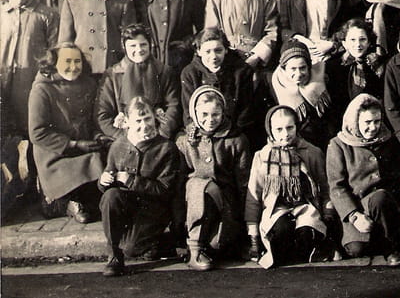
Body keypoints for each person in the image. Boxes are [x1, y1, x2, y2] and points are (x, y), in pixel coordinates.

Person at [98, 96, 181, 276]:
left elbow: (165, 190)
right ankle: (113, 255)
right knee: (110, 196)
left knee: (130, 249)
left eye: (147, 119)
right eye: (138, 121)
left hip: (152, 210)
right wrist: (103, 181)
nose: (144, 125)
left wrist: (131, 181)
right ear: (127, 122)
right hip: (126, 207)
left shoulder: (166, 148)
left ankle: (158, 242)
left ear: (155, 117)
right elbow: (109, 179)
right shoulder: (118, 146)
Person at [245, 105, 334, 268]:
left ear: (296, 127)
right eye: (279, 129)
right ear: (270, 130)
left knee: (307, 233)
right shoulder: (262, 156)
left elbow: (325, 186)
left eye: (289, 128)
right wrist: (254, 237)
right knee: (281, 232)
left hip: (304, 206)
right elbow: (254, 196)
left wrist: (328, 215)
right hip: (276, 209)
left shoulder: (311, 152)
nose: (285, 134)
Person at [29, 43, 105, 222]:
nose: (73, 67)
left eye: (77, 61)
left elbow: (93, 119)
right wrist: (73, 144)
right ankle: (64, 203)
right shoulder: (42, 89)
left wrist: (98, 136)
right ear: (54, 63)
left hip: (85, 147)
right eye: (67, 61)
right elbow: (37, 132)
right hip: (55, 153)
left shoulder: (88, 84)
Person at [177, 86, 251, 271]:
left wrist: (246, 223)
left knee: (217, 245)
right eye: (204, 114)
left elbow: (243, 182)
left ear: (223, 113)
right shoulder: (185, 140)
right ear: (194, 113)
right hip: (194, 202)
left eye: (215, 114)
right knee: (199, 185)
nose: (210, 120)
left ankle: (215, 243)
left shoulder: (236, 139)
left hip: (224, 202)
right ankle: (195, 249)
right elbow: (179, 181)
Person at [326, 94, 400, 266]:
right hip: (358, 206)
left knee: (380, 197)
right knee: (356, 250)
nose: (373, 127)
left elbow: (398, 177)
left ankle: (391, 248)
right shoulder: (338, 145)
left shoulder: (389, 140)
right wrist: (354, 216)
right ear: (355, 121)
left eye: (377, 121)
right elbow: (337, 187)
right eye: (367, 122)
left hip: (384, 206)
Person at [1, 0, 59, 138]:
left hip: (31, 85)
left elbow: (55, 51)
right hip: (2, 85)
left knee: (30, 131)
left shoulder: (47, 15)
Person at [96, 23, 181, 141]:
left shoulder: (164, 71)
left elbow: (173, 107)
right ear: (124, 47)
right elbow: (103, 115)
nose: (139, 50)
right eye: (132, 46)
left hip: (158, 137)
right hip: (125, 138)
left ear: (150, 45)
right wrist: (125, 138)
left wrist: (161, 134)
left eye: (143, 44)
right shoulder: (112, 75)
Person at [58, 0, 135, 76]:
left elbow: (130, 40)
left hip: (113, 69)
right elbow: (65, 43)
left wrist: (123, 66)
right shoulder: (71, 3)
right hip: (83, 69)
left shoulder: (122, 3)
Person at [180, 27, 255, 138]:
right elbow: (188, 112)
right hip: (202, 133)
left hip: (233, 133)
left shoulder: (242, 71)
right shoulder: (190, 73)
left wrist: (230, 134)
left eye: (218, 50)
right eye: (207, 52)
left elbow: (245, 112)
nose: (213, 56)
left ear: (226, 50)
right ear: (199, 51)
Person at [257, 40, 332, 149]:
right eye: (293, 69)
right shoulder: (272, 85)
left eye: (302, 68)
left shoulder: (322, 78)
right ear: (284, 68)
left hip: (321, 141)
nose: (298, 74)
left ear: (309, 66)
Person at [325, 18, 385, 126]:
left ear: (369, 42)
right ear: (344, 43)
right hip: (341, 123)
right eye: (352, 40)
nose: (358, 44)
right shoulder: (333, 66)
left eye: (362, 39)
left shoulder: (376, 65)